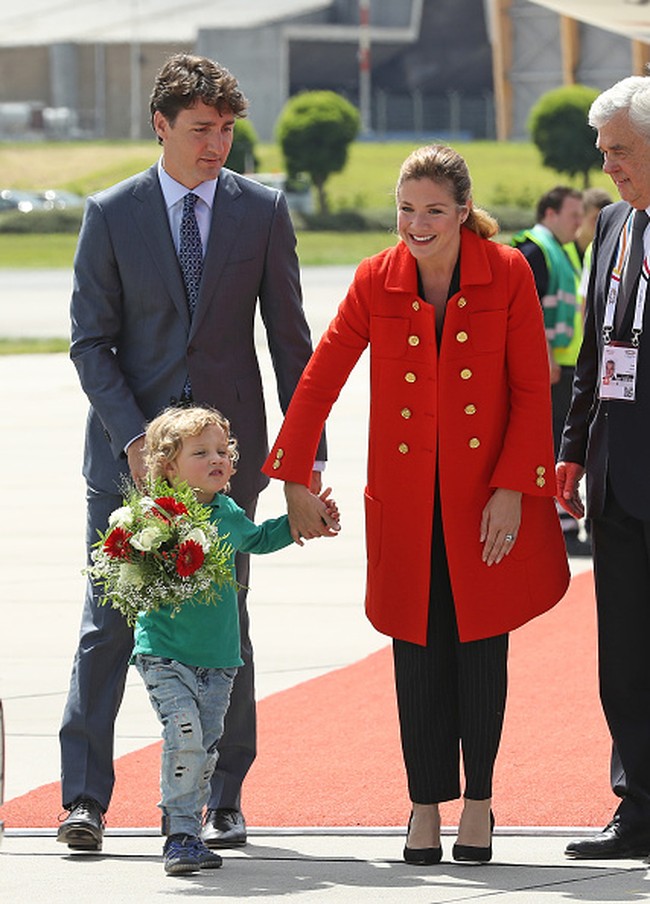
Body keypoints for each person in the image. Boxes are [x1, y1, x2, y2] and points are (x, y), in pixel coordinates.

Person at [262, 145, 570, 864]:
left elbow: (533, 388)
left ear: (464, 211)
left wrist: (512, 490)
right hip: (405, 506)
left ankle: (481, 804)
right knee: (418, 653)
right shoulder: (377, 279)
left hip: (483, 504)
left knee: (480, 650)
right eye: (407, 209)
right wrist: (295, 474)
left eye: (434, 210)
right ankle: (423, 805)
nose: (417, 224)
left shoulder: (511, 272)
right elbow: (321, 376)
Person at [57, 52, 326, 854]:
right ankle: (83, 800)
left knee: (224, 623)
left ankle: (225, 793)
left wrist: (302, 469)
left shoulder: (261, 211)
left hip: (220, 467)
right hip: (125, 464)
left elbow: (292, 350)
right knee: (108, 623)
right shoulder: (111, 213)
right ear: (162, 126)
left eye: (228, 131)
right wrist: (136, 440)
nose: (217, 146)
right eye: (202, 130)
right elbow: (90, 343)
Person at [131, 406, 335, 875]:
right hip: (164, 653)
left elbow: (259, 540)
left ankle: (187, 822)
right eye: (201, 452)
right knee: (184, 736)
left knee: (204, 746)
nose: (217, 459)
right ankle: (180, 835)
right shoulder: (156, 516)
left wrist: (306, 519)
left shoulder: (225, 510)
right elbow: (125, 563)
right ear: (167, 466)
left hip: (219, 659)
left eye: (223, 451)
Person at [557, 75, 650, 860]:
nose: (608, 165)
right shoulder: (614, 223)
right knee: (623, 655)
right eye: (605, 151)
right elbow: (594, 350)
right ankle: (637, 806)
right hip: (618, 476)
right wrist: (571, 449)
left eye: (620, 151)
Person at [512, 186, 590, 557]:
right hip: (552, 366)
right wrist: (543, 357)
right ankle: (561, 526)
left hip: (565, 363)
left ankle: (564, 522)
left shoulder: (560, 251)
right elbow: (529, 312)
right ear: (549, 213)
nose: (578, 223)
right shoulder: (535, 252)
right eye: (573, 215)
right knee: (556, 445)